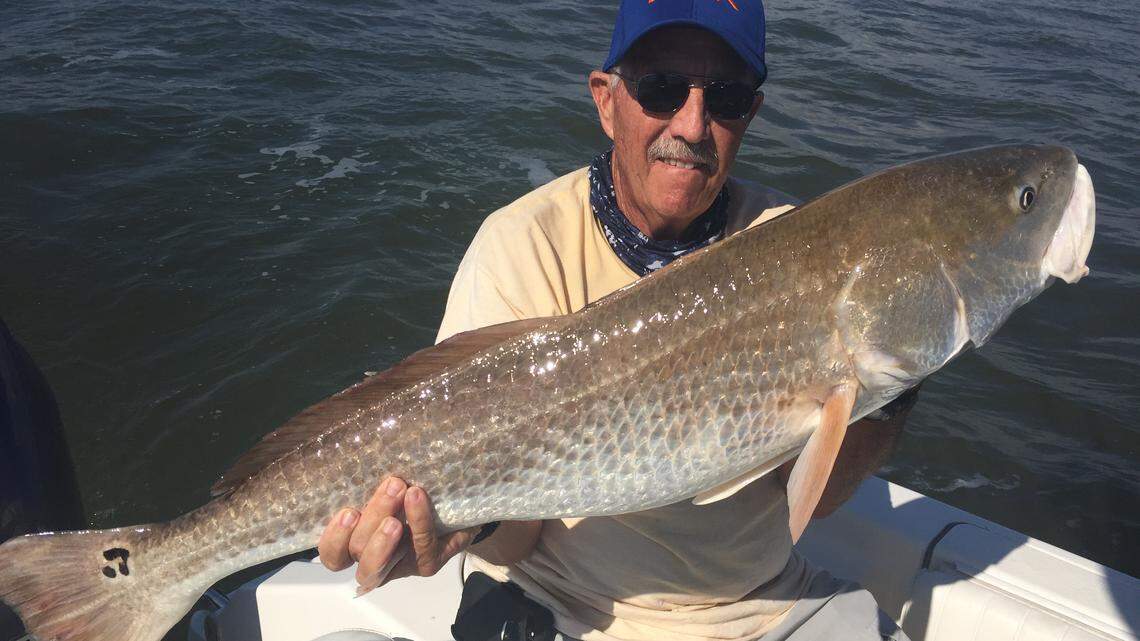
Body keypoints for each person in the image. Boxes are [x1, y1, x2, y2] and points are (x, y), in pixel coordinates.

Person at [319, 2, 917, 639]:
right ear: (605, 100)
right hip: (559, 608)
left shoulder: (797, 249)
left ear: (752, 115)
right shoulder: (523, 244)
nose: (692, 123)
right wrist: (460, 524)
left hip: (764, 606)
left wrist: (893, 369)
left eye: (727, 97)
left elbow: (817, 499)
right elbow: (513, 544)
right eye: (660, 87)